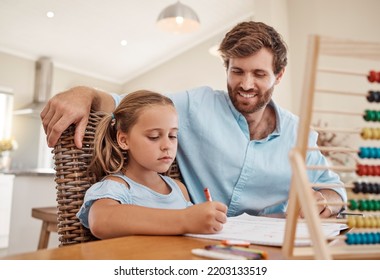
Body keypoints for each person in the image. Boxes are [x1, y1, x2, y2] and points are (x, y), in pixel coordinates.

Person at [41, 21, 347, 219]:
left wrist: (323, 200)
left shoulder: (299, 133)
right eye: (237, 71)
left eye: (259, 74)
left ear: (278, 76)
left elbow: (335, 191)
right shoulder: (195, 105)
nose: (246, 84)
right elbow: (129, 105)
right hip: (203, 244)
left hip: (272, 250)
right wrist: (85, 92)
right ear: (226, 68)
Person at [76, 90, 227, 239]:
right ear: (124, 140)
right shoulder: (117, 187)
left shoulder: (178, 188)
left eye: (172, 136)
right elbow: (101, 221)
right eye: (154, 137)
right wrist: (185, 219)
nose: (167, 145)